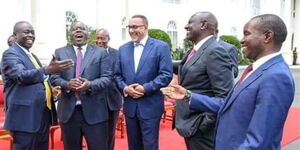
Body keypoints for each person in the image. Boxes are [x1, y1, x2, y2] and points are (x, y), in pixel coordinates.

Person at [161, 14, 295, 150]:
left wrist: (202, 125)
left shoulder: (276, 76)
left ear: (267, 36)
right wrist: (187, 96)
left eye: (247, 34)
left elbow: (259, 143)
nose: (241, 40)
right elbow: (228, 105)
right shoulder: (258, 69)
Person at [1, 21, 74, 150]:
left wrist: (52, 88)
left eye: (32, 32)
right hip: (24, 117)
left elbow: (39, 78)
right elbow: (21, 75)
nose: (30, 35)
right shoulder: (10, 54)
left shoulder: (31, 55)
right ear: (15, 35)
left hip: (41, 114)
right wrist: (47, 70)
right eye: (26, 32)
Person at [174, 11, 234, 150]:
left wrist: (203, 125)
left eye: (190, 22)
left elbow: (225, 98)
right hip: (190, 124)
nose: (186, 26)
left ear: (204, 25)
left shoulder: (215, 51)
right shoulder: (197, 50)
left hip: (201, 129)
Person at [50, 21, 112, 150]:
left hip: (95, 112)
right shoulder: (60, 52)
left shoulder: (100, 52)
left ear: (87, 33)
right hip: (69, 113)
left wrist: (90, 85)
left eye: (82, 29)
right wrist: (67, 84)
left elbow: (107, 78)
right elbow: (54, 78)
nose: (78, 31)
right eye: (74, 29)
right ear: (70, 34)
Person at [115, 14, 173, 150]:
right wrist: (125, 88)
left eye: (134, 27)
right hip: (130, 107)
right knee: (133, 145)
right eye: (129, 27)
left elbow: (166, 74)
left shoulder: (161, 47)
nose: (130, 30)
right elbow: (116, 76)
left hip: (150, 106)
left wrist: (145, 88)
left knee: (150, 145)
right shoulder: (123, 49)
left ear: (145, 27)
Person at [95, 28, 122, 150]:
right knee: (96, 134)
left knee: (110, 133)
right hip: (94, 100)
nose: (100, 41)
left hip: (113, 100)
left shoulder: (117, 54)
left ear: (108, 39)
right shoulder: (91, 53)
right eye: (98, 38)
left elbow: (121, 74)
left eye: (103, 38)